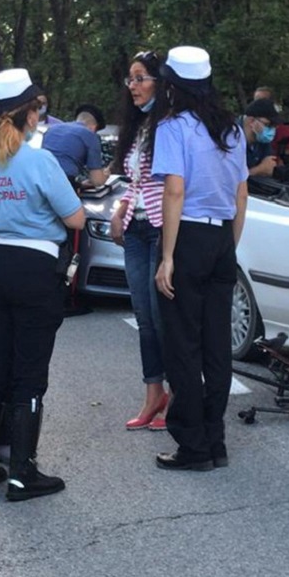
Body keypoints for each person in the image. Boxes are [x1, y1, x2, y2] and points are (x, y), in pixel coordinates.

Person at [0, 68, 86, 500]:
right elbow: (76, 218)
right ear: (29, 114)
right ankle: (22, 471)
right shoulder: (39, 160)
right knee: (29, 370)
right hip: (33, 268)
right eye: (38, 108)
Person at [152, 45, 249, 471]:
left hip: (187, 234)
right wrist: (231, 244)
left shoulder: (173, 128)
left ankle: (192, 445)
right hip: (222, 239)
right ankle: (216, 440)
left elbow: (174, 190)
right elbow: (241, 193)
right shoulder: (233, 130)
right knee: (216, 347)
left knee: (183, 345)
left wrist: (168, 255)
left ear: (172, 86)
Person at [109, 51, 170, 431]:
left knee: (164, 318)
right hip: (136, 228)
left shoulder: (171, 125)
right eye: (130, 79)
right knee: (145, 319)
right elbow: (136, 182)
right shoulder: (138, 127)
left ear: (161, 82)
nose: (133, 86)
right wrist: (120, 211)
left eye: (141, 78)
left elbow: (172, 183)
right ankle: (153, 394)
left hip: (162, 227)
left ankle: (176, 394)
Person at [41, 103, 107, 187]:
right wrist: (105, 176)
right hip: (63, 184)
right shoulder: (90, 135)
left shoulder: (52, 129)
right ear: (94, 127)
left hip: (38, 180)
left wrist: (79, 185)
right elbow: (97, 181)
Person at [240, 98, 282, 178]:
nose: (272, 130)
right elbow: (227, 181)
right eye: (268, 125)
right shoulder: (230, 140)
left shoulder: (261, 139)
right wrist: (258, 170)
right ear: (251, 121)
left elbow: (269, 168)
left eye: (275, 126)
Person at [253, 86, 289, 158]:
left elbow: (288, 156)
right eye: (255, 101)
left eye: (261, 101)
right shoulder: (247, 126)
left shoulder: (283, 129)